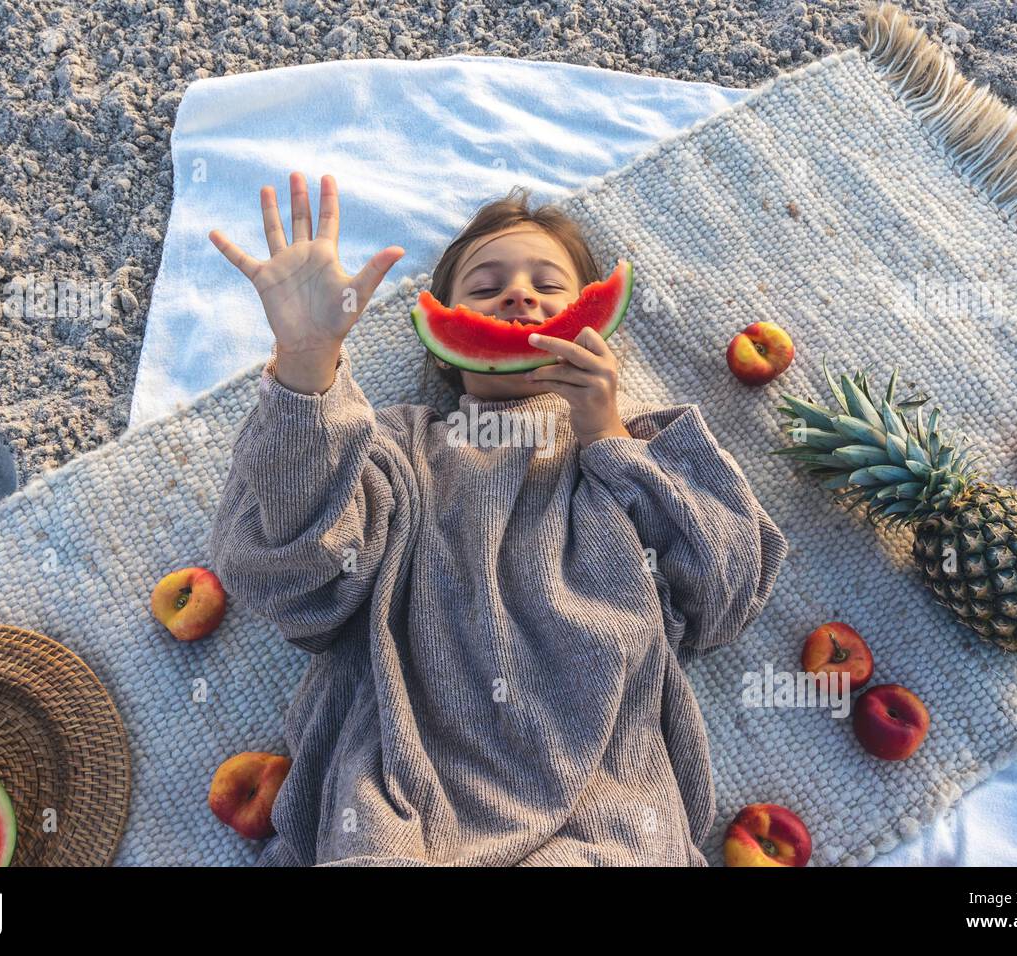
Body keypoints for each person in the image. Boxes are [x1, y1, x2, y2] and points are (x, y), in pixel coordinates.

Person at [206, 171, 788, 866]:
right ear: (442, 340)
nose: (519, 295)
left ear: (598, 329)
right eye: (485, 289)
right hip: (401, 793)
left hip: (605, 801)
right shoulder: (394, 450)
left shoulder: (644, 453)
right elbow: (294, 579)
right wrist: (307, 367)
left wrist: (610, 440)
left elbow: (723, 593)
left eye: (550, 287)